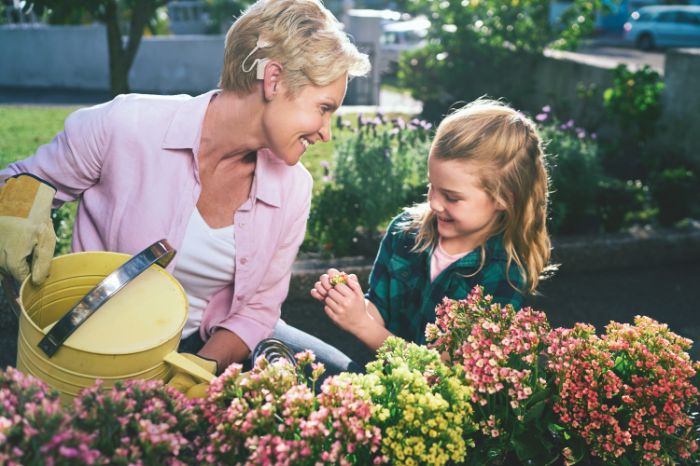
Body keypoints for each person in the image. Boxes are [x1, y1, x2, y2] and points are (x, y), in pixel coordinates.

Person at [0, 0, 369, 396]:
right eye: (324, 108)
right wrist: (17, 209)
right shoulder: (127, 127)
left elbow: (258, 308)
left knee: (344, 386)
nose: (326, 132)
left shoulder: (294, 187)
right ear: (274, 80)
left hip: (208, 344)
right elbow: (23, 178)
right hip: (105, 343)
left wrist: (202, 367)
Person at [310, 99, 552, 358]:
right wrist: (352, 304)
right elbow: (378, 309)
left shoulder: (505, 273)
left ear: (505, 198)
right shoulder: (403, 232)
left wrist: (362, 326)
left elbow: (443, 368)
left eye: (451, 197)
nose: (434, 203)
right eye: (431, 186)